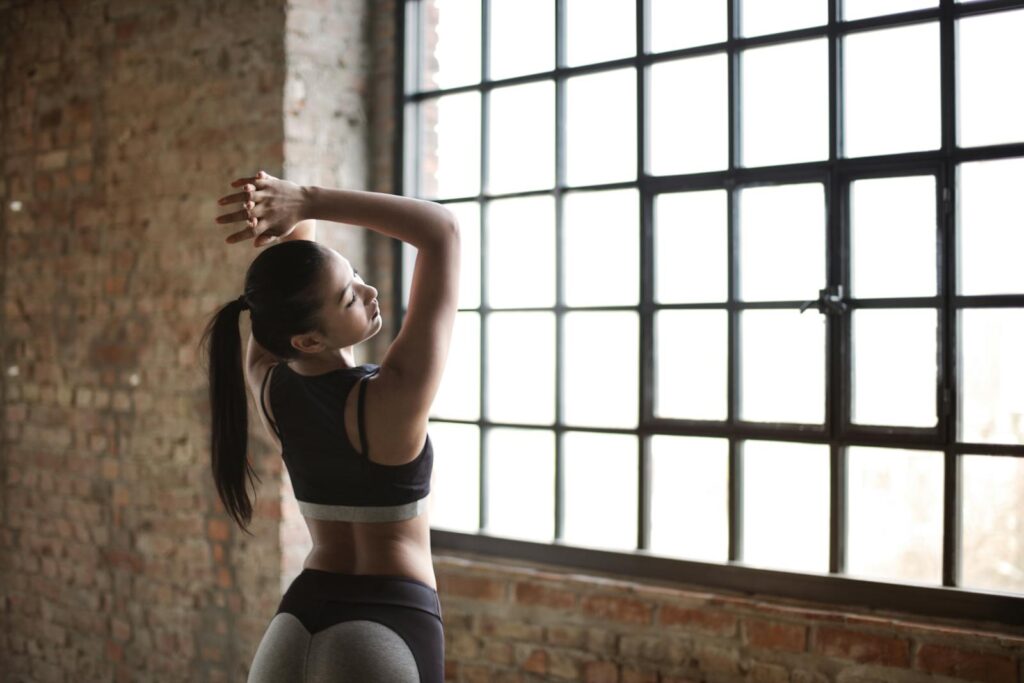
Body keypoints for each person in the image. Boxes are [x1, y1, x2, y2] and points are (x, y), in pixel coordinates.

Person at [198, 170, 460, 682]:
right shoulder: (395, 395)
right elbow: (442, 231)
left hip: (296, 623)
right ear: (308, 341)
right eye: (348, 297)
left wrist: (296, 208)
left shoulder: (268, 384)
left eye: (355, 274)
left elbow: (296, 262)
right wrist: (307, 199)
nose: (369, 291)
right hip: (386, 627)